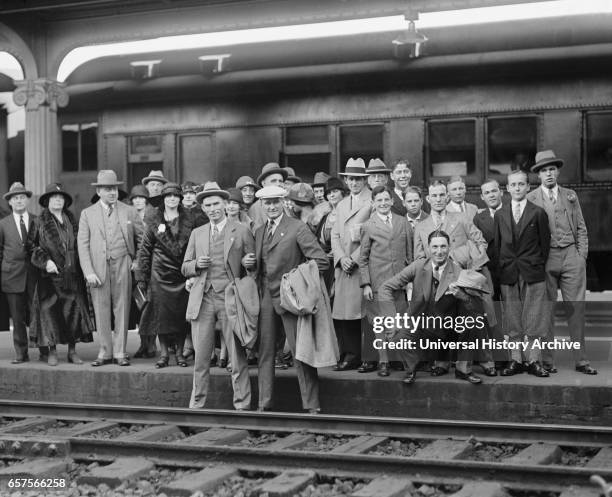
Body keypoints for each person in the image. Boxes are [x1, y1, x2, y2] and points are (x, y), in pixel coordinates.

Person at [243, 185, 328, 413]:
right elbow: (260, 268)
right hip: (267, 300)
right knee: (266, 353)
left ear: (284, 203)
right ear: (262, 205)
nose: (271, 207)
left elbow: (320, 261)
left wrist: (295, 281)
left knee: (302, 353)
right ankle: (264, 405)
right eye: (267, 203)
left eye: (275, 202)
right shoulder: (259, 231)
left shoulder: (297, 227)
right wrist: (249, 265)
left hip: (291, 298)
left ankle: (312, 406)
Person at [183, 182, 254, 410]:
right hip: (203, 299)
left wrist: (247, 264)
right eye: (208, 205)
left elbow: (253, 267)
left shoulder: (241, 230)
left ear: (225, 204)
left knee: (236, 357)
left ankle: (242, 406)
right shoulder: (197, 233)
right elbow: (184, 267)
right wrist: (195, 265)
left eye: (216, 204)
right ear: (202, 208)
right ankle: (197, 406)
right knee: (201, 358)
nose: (212, 208)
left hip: (230, 299)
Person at [526, 150, 596, 375]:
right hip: (546, 260)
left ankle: (581, 360)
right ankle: (547, 361)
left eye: (552, 169)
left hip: (570, 256)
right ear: (538, 175)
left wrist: (581, 256)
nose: (548, 174)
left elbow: (582, 228)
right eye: (544, 170)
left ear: (557, 172)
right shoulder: (531, 198)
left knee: (576, 309)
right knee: (546, 310)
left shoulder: (570, 195)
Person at [378, 230, 467, 384]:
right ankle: (412, 368)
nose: (439, 251)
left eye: (443, 247)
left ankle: (452, 363)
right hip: (419, 322)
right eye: (435, 247)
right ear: (428, 248)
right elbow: (385, 288)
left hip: (447, 327)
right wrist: (393, 321)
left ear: (449, 247)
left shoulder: (458, 271)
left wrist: (461, 295)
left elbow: (473, 304)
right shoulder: (418, 266)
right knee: (398, 338)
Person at [78, 170, 144, 367]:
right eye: (107, 189)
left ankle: (120, 352)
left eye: (114, 188)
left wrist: (138, 260)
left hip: (123, 263)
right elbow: (82, 245)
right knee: (101, 309)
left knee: (122, 307)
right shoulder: (87, 214)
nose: (112, 192)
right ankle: (105, 352)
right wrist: (88, 271)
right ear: (99, 191)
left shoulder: (129, 211)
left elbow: (143, 240)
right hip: (98, 268)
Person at [494, 170, 551, 377]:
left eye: (521, 184)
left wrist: (534, 264)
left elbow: (545, 246)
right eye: (513, 185)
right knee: (512, 317)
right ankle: (516, 360)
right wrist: (505, 266)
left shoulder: (538, 212)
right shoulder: (501, 215)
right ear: (507, 188)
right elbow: (499, 246)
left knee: (535, 317)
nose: (517, 188)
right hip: (509, 271)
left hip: (532, 271)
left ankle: (534, 360)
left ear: (528, 187)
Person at [29, 183, 94, 366]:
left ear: (65, 201)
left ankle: (72, 352)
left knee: (73, 314)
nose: (58, 200)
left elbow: (82, 245)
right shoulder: (39, 222)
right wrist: (45, 261)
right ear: (47, 201)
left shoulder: (72, 219)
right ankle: (52, 351)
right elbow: (31, 247)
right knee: (50, 314)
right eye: (54, 197)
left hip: (72, 275)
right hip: (49, 278)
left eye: (61, 198)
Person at [136, 182, 194, 368]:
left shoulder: (189, 219)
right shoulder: (154, 220)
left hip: (180, 271)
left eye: (175, 196)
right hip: (159, 273)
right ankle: (163, 355)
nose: (171, 199)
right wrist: (142, 277)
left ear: (180, 199)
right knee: (161, 315)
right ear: (163, 199)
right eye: (168, 196)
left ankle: (179, 354)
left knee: (179, 314)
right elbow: (145, 249)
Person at [359, 186, 413, 377]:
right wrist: (365, 284)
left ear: (392, 201)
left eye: (386, 200)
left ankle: (402, 360)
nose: (383, 203)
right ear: (373, 203)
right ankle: (383, 361)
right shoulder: (368, 226)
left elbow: (410, 255)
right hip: (377, 282)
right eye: (379, 200)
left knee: (400, 320)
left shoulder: (402, 222)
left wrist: (410, 281)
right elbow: (363, 258)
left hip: (399, 281)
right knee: (379, 324)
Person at [331, 158, 372, 372]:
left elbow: (371, 235)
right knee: (344, 314)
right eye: (350, 179)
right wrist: (341, 258)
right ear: (346, 180)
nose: (354, 183)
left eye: (358, 179)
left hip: (360, 265)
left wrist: (353, 259)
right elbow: (334, 235)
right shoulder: (341, 204)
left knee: (360, 313)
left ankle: (359, 355)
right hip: (343, 266)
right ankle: (348, 353)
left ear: (364, 180)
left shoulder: (372, 201)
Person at [0, 182, 40, 363]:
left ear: (27, 200)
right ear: (10, 202)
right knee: (17, 318)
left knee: (38, 314)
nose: (19, 201)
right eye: (15, 198)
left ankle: (44, 350)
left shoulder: (37, 220)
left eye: (22, 197)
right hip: (12, 275)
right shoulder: (3, 224)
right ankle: (21, 353)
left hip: (35, 275)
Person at [473, 179, 508, 370]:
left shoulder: (511, 211)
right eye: (487, 193)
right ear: (482, 196)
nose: (491, 195)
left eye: (494, 191)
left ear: (501, 192)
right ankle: (500, 356)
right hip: (489, 273)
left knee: (512, 313)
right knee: (493, 315)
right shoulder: (479, 218)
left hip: (510, 271)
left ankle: (519, 357)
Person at [414, 180, 487, 270]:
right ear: (428, 199)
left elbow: (480, 243)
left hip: (462, 276)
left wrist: (462, 259)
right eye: (434, 196)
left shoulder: (462, 218)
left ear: (447, 197)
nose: (438, 199)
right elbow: (419, 260)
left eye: (441, 195)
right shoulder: (420, 227)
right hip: (435, 279)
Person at [249, 163, 288, 230]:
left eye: (280, 181)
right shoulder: (256, 208)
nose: (278, 184)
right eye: (273, 181)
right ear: (263, 183)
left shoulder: (286, 203)